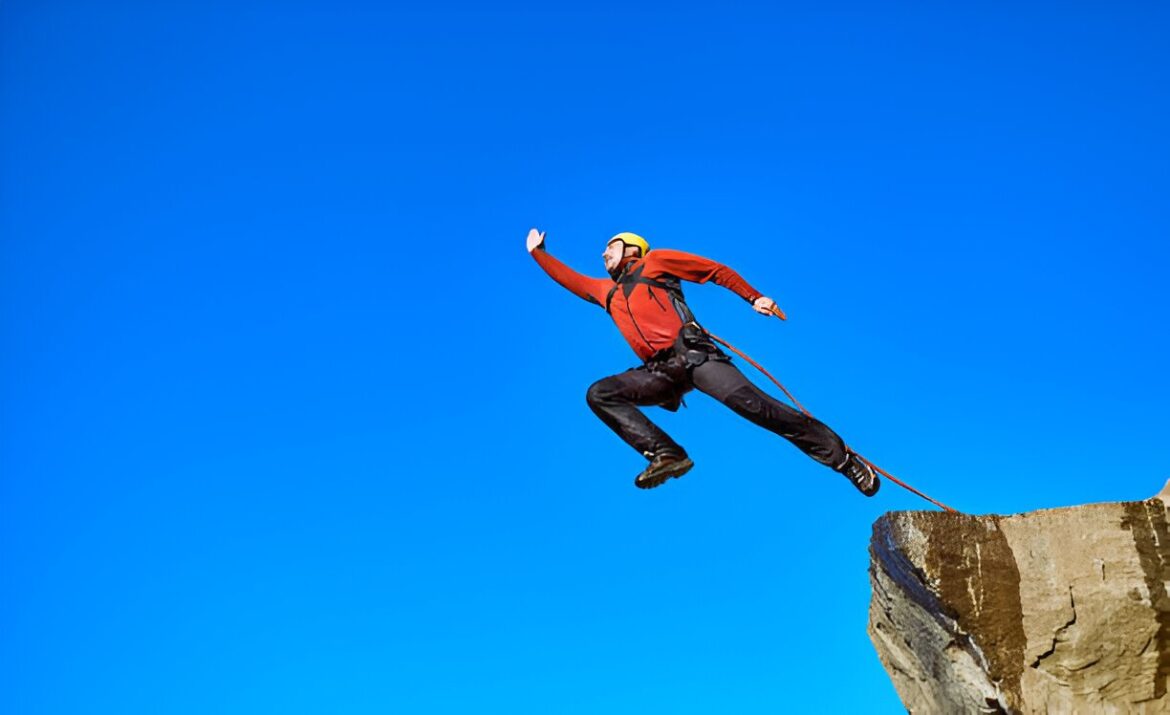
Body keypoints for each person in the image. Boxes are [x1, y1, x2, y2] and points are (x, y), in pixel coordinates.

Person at [526, 227, 879, 495]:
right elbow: (570, 280)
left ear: (633, 248)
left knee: (759, 409)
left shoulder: (655, 261)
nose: (604, 254)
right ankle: (667, 454)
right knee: (600, 393)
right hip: (660, 374)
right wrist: (538, 254)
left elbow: (713, 270)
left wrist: (753, 297)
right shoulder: (609, 292)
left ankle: (843, 460)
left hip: (695, 357)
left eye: (611, 246)